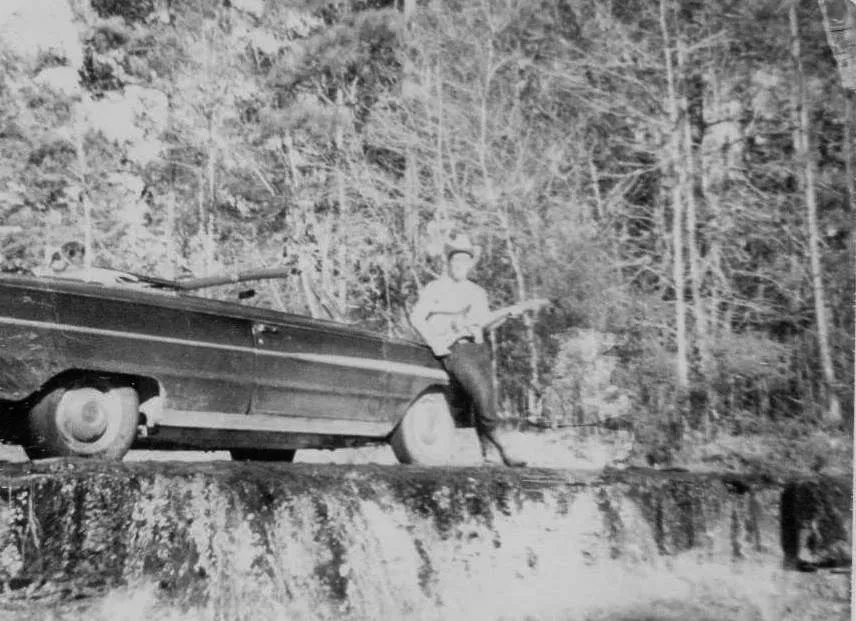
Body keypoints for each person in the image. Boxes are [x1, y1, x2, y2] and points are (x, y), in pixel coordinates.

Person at [410, 232, 527, 467]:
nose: (460, 266)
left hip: (477, 349)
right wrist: (434, 341)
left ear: (470, 264)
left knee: (483, 398)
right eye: (455, 260)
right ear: (449, 262)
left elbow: (482, 323)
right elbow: (417, 317)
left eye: (465, 261)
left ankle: (488, 455)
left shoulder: (477, 292)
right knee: (480, 394)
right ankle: (503, 447)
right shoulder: (435, 288)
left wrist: (507, 314)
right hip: (454, 349)